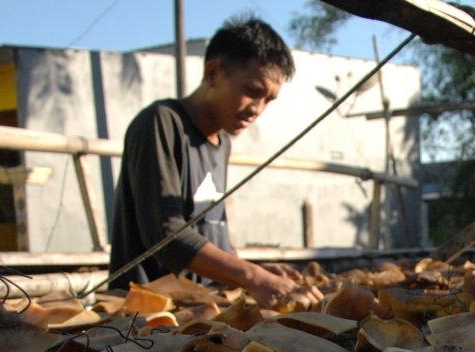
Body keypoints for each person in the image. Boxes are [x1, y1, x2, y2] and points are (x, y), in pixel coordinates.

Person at [108, 15, 322, 309]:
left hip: (200, 306)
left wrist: (246, 270)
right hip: (147, 313)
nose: (257, 109)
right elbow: (165, 235)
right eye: (253, 91)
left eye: (269, 100)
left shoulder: (222, 144)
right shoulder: (161, 123)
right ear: (213, 73)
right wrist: (253, 277)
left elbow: (209, 232)